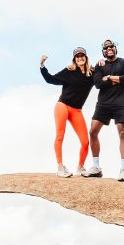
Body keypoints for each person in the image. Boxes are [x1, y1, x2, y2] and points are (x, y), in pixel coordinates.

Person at [82, 39, 124, 181]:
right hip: (104, 104)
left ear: (115, 49)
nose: (109, 48)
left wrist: (110, 77)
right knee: (92, 131)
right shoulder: (100, 66)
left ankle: (123, 169)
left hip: (121, 103)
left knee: (122, 132)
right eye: (106, 47)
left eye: (112, 46)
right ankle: (96, 167)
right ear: (103, 51)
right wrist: (118, 79)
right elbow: (98, 83)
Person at [40, 47, 94, 177]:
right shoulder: (69, 71)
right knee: (60, 135)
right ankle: (60, 167)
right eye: (77, 56)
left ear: (86, 58)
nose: (80, 58)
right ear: (74, 59)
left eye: (82, 56)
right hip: (63, 106)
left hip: (76, 110)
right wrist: (42, 66)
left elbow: (102, 78)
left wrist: (102, 64)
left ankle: (80, 167)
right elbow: (50, 79)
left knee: (86, 142)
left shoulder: (92, 73)